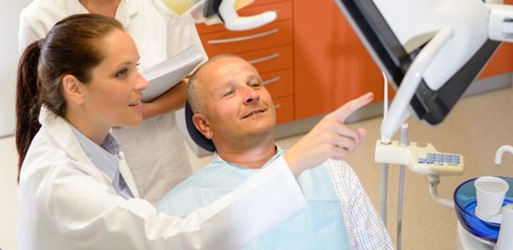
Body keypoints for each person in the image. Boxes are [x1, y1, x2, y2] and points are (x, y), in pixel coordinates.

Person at [15, 14, 374, 249]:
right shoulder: (63, 183)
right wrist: (294, 162)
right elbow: (177, 242)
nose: (142, 83)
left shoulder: (97, 143)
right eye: (122, 72)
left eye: (136, 67)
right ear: (74, 89)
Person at [18, 0, 205, 203]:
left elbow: (196, 83)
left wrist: (142, 111)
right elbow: (44, 115)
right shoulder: (40, 18)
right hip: (87, 178)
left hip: (164, 165)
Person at [155, 54, 393, 249]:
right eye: (229, 92)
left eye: (255, 84)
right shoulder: (176, 213)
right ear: (204, 125)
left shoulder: (333, 172)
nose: (251, 95)